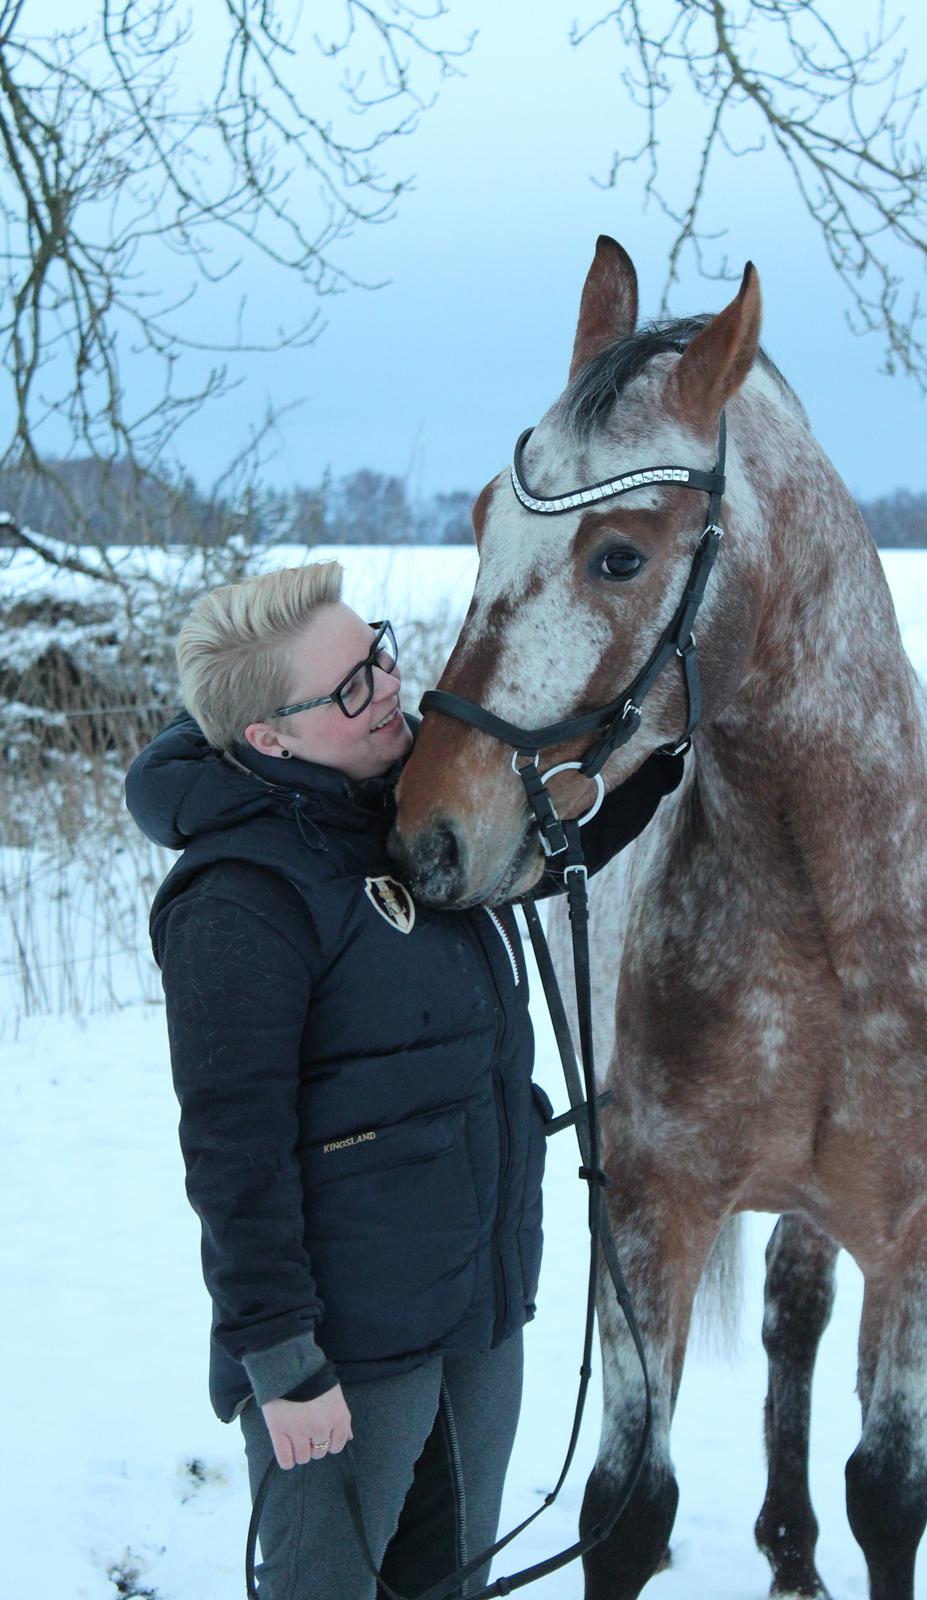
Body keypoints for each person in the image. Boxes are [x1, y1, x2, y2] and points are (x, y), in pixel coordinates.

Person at [125, 559, 683, 1600]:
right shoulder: (240, 899)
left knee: (451, 1581)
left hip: (476, 1311)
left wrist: (660, 758)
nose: (388, 686)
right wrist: (283, 1364)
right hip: (345, 1356)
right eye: (348, 687)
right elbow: (231, 1154)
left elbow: (541, 851)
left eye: (376, 653)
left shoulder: (400, 808)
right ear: (268, 739)